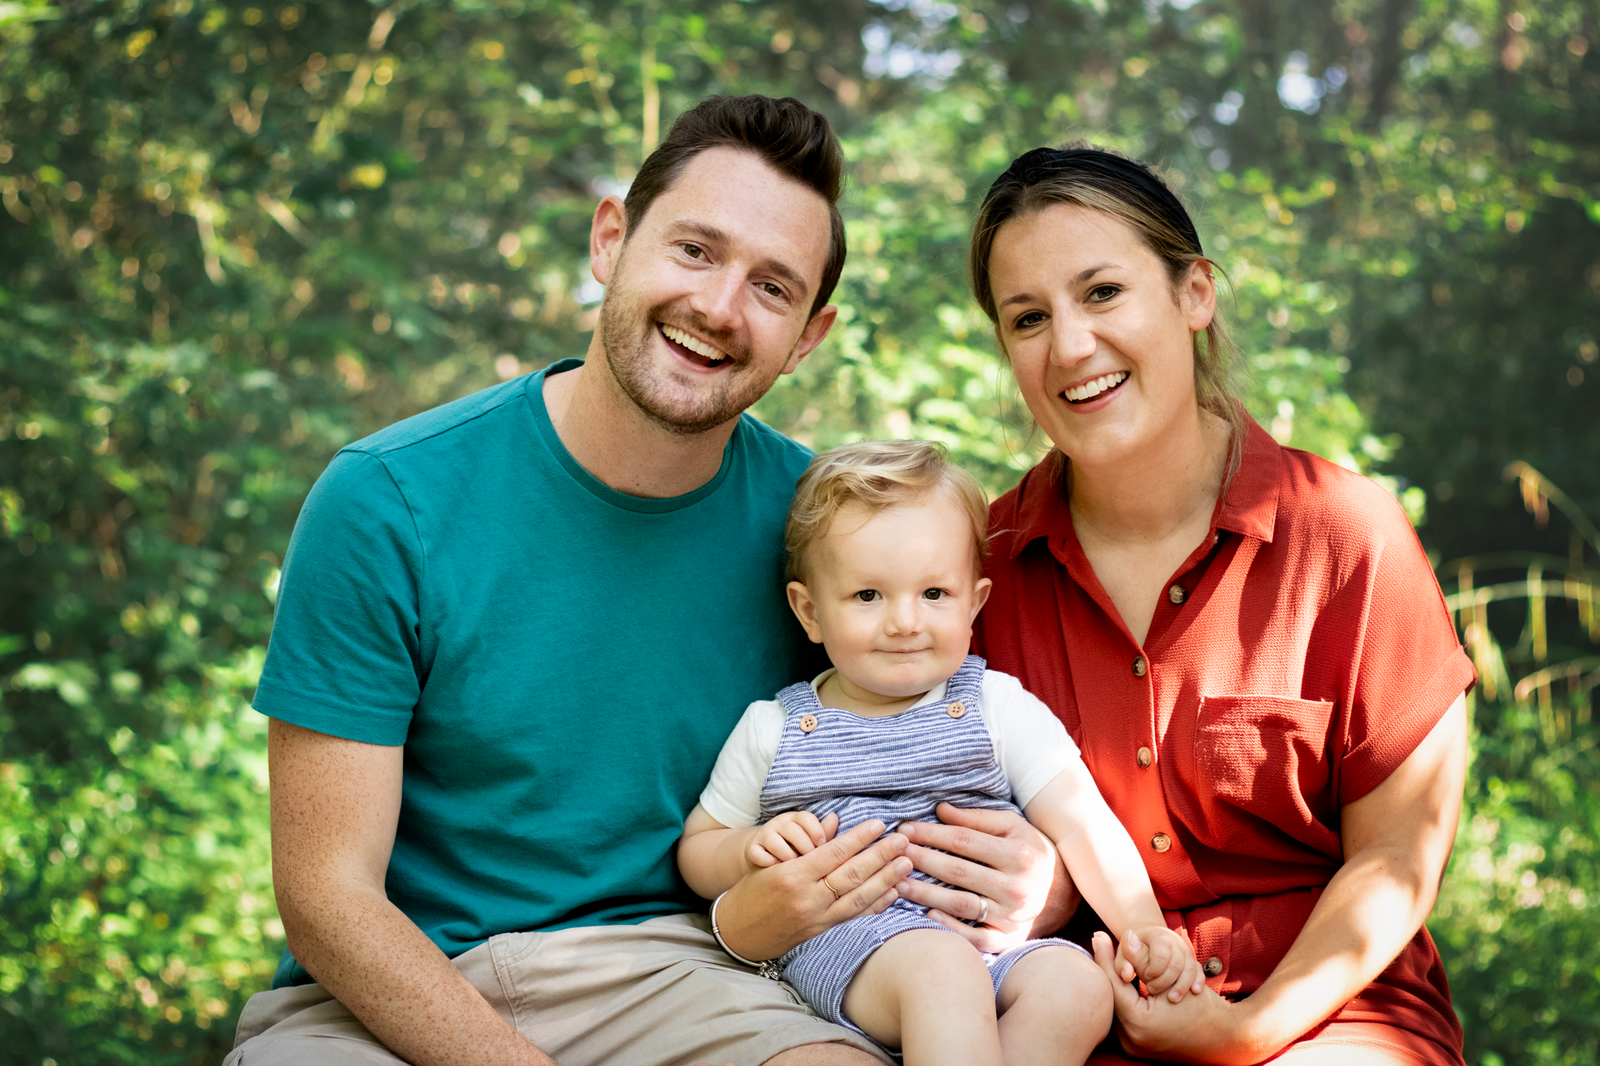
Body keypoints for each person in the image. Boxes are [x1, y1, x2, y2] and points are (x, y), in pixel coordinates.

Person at [225, 94, 1068, 1066]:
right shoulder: (385, 500)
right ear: (610, 239)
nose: (717, 307)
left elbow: (946, 753)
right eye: (695, 250)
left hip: (692, 974)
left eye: (771, 286)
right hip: (396, 994)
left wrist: (1034, 885)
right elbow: (328, 897)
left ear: (807, 335)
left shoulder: (822, 532)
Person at [965, 144, 1476, 1065]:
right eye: (1029, 317)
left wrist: (1246, 1029)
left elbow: (1397, 858)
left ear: (1195, 294)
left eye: (1104, 293)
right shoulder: (976, 573)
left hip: (1330, 1015)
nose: (1072, 345)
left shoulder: (1346, 536)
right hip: (1079, 1016)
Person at [677, 440, 1203, 1066]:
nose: (905, 622)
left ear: (974, 604)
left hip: (995, 944)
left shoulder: (995, 706)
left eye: (934, 594)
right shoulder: (777, 728)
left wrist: (1142, 925)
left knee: (1079, 988)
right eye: (868, 596)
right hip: (853, 950)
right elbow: (698, 846)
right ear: (810, 611)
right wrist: (745, 850)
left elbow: (1082, 822)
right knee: (941, 969)